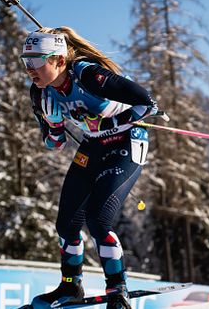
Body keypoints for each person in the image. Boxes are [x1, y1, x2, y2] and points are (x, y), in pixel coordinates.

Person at [21, 27, 158, 309]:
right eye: (26, 63)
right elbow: (54, 143)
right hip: (93, 145)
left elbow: (147, 104)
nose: (29, 70)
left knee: (98, 219)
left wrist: (105, 123)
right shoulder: (40, 94)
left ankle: (117, 289)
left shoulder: (86, 74)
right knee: (67, 223)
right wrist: (53, 125)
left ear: (58, 60)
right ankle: (70, 287)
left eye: (35, 62)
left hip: (127, 140)